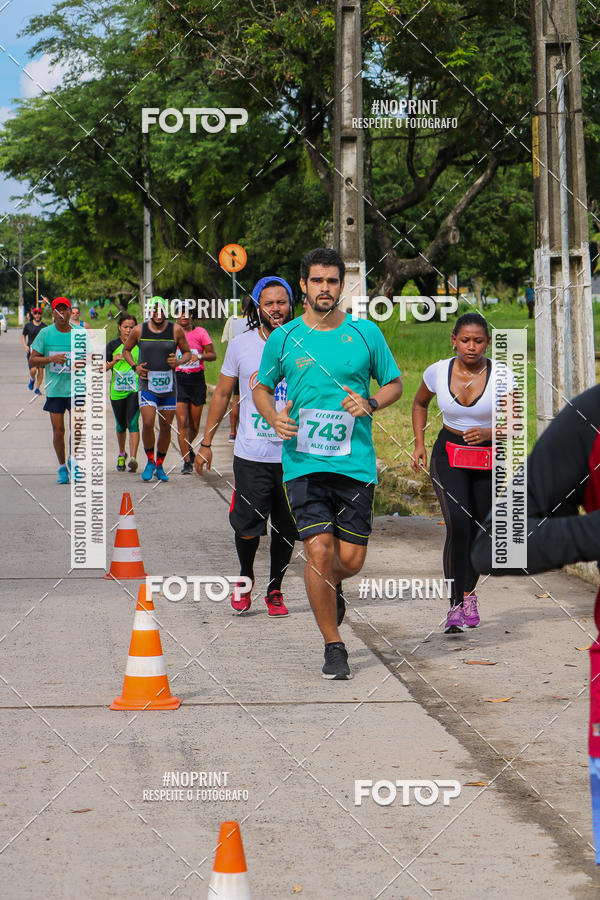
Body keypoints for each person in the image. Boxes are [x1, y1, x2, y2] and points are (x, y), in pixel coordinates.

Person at [253, 248, 403, 679]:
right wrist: (273, 416)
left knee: (350, 560)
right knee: (318, 550)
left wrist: (371, 401)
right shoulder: (285, 337)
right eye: (317, 281)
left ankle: (331, 585)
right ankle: (333, 645)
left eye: (332, 282)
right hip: (303, 462)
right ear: (303, 285)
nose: (325, 289)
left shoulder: (364, 333)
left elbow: (393, 383)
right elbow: (262, 388)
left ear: (342, 286)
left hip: (354, 464)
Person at [196, 277, 298, 617]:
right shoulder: (241, 345)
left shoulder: (305, 343)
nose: (275, 308)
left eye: (281, 302)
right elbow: (223, 394)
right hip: (252, 453)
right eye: (268, 303)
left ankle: (275, 589)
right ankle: (245, 577)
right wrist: (207, 441)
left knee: (286, 527)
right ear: (256, 306)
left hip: (295, 456)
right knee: (247, 525)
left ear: (291, 304)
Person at [410, 312, 514, 634]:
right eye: (465, 340)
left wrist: (486, 433)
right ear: (453, 339)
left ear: (487, 342)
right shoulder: (438, 371)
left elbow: (512, 423)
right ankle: (455, 605)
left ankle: (469, 592)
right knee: (457, 523)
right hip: (448, 455)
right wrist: (419, 444)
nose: (472, 347)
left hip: (485, 457)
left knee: (479, 527)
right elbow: (419, 403)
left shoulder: (502, 375)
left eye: (479, 341)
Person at [122, 297, 192, 482]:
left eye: (161, 309)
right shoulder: (139, 330)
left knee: (166, 426)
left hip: (168, 385)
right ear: (149, 311)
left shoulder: (175, 329)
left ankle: (159, 464)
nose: (158, 313)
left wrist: (178, 361)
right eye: (154, 309)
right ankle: (150, 460)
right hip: (147, 383)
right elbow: (126, 350)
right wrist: (135, 367)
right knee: (147, 421)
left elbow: (188, 352)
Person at [29, 297, 76, 483]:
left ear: (70, 312)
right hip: (55, 389)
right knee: (59, 431)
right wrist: (51, 359)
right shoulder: (45, 334)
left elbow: (92, 356)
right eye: (58, 310)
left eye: (65, 310)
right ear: (53, 313)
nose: (61, 313)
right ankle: (62, 466)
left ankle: (74, 460)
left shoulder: (79, 333)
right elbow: (33, 360)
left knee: (77, 429)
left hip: (76, 388)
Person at [175, 307, 216, 473]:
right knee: (182, 423)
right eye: (181, 313)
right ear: (176, 317)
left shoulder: (200, 332)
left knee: (194, 425)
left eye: (187, 313)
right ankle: (186, 460)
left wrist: (198, 356)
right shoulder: (172, 333)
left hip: (197, 379)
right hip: (179, 379)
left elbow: (212, 354)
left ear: (191, 316)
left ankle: (189, 449)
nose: (184, 316)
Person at [106, 314, 141, 472]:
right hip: (117, 392)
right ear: (119, 327)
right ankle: (122, 454)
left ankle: (133, 458)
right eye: (125, 327)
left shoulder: (140, 345)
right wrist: (113, 361)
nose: (128, 330)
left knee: (133, 423)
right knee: (121, 425)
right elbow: (101, 368)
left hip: (134, 390)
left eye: (132, 327)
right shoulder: (112, 345)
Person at [221, 296, 251, 443]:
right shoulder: (257, 322)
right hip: (252, 366)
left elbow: (226, 340)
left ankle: (233, 432)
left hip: (236, 365)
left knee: (235, 399)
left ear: (241, 308)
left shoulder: (232, 320)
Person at [22, 307, 46, 394]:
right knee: (33, 370)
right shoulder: (28, 325)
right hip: (31, 351)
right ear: (33, 314)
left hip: (41, 351)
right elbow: (23, 335)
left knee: (41, 370)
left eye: (39, 313)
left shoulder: (44, 327)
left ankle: (37, 388)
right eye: (35, 313)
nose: (37, 315)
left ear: (41, 314)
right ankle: (32, 379)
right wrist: (25, 346)